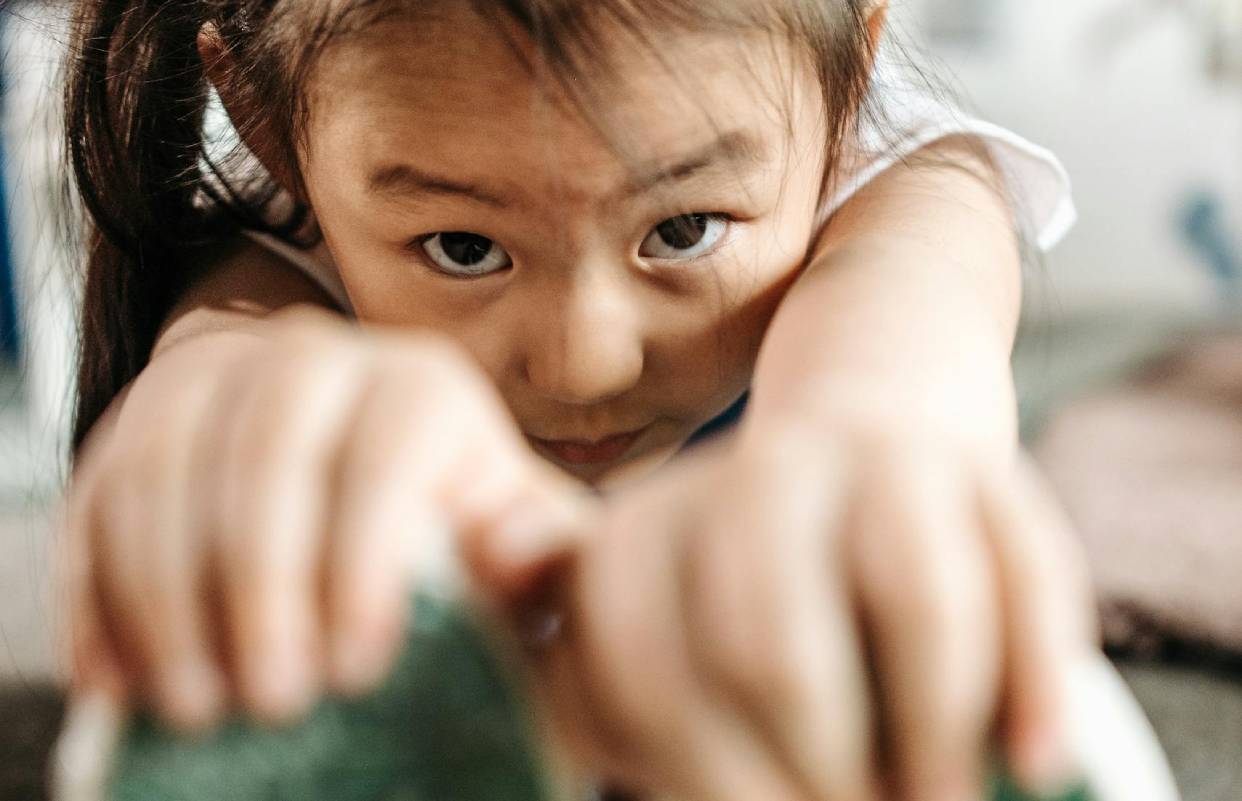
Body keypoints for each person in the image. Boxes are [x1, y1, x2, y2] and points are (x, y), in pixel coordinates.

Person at [59, 2, 1094, 800]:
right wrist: (245, 438)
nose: (582, 367)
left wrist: (829, 498)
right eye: (464, 249)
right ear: (267, 125)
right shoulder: (279, 262)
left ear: (854, 69)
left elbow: (895, 404)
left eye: (684, 230)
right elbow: (218, 368)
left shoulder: (910, 194)